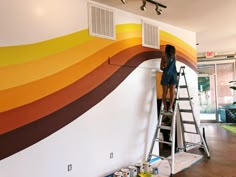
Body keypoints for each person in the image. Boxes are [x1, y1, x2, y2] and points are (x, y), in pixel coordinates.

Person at [160, 44, 177, 113]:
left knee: (164, 92)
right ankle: (170, 107)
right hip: (173, 75)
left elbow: (161, 68)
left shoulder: (164, 57)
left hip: (166, 74)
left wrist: (164, 67)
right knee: (172, 92)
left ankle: (165, 108)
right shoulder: (175, 56)